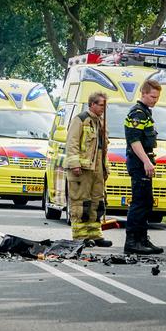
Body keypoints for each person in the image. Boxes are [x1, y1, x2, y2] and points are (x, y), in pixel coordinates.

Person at [64, 92, 112, 247]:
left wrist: (105, 169)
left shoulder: (101, 123)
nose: (103, 108)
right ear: (92, 104)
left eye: (105, 105)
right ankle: (80, 235)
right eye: (101, 105)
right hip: (82, 169)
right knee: (81, 201)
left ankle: (95, 234)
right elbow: (72, 143)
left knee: (97, 202)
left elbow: (103, 149)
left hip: (97, 169)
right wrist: (75, 164)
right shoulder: (80, 120)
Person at [123, 80, 164, 254]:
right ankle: (132, 242)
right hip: (139, 162)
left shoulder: (146, 113)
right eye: (153, 96)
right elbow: (134, 140)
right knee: (139, 202)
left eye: (157, 97)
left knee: (146, 202)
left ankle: (142, 239)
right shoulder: (137, 113)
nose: (155, 100)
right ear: (143, 93)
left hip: (144, 162)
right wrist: (146, 162)